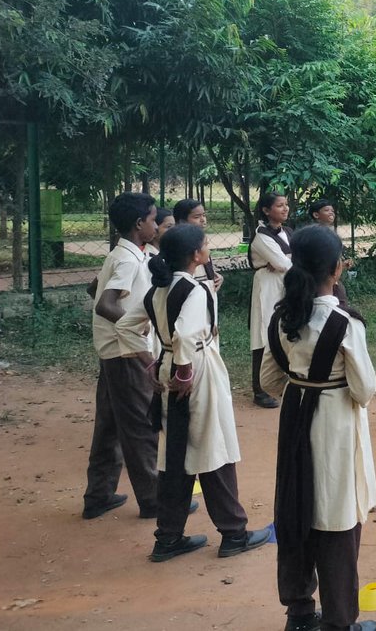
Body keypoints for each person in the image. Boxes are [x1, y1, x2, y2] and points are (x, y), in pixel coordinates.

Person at [119, 223, 270, 562]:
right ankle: (234, 532)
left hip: (170, 364)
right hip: (195, 369)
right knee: (211, 447)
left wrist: (151, 362)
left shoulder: (159, 288)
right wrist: (184, 372)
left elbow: (125, 327)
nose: (208, 249)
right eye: (205, 245)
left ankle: (169, 537)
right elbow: (187, 335)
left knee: (177, 452)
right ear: (195, 255)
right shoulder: (194, 290)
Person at [261, 225, 376, 631]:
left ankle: (298, 611)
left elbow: (269, 382)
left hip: (295, 417)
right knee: (336, 517)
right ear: (337, 268)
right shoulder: (345, 323)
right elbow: (364, 390)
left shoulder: (283, 317)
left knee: (296, 508)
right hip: (335, 423)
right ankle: (339, 620)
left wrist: (303, 378)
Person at [82, 192, 161, 520]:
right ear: (138, 223)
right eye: (153, 219)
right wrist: (133, 326)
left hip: (113, 350)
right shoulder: (128, 259)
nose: (156, 224)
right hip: (126, 352)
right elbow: (105, 303)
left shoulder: (127, 254)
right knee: (141, 425)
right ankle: (154, 499)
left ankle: (98, 495)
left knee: (110, 425)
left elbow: (95, 289)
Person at [249, 191, 291, 409]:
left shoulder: (287, 232)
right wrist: (286, 260)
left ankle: (278, 380)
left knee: (281, 331)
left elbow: (287, 261)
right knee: (263, 332)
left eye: (286, 205)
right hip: (267, 286)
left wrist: (286, 260)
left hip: (282, 284)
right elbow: (283, 263)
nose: (285, 209)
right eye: (279, 206)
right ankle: (259, 388)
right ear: (266, 210)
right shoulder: (262, 236)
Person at [173, 198, 224, 294]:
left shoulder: (201, 240)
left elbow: (206, 269)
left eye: (204, 215)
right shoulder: (179, 245)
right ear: (182, 221)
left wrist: (215, 277)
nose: (203, 220)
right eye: (196, 217)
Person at [309, 198, 350, 307]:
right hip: (322, 280)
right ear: (316, 215)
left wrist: (342, 264)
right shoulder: (314, 235)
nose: (331, 212)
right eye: (326, 210)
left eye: (332, 210)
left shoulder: (330, 233)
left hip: (332, 278)